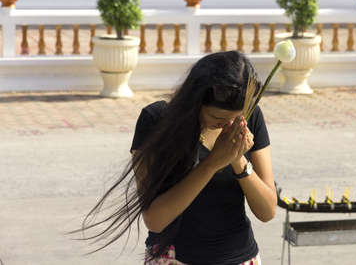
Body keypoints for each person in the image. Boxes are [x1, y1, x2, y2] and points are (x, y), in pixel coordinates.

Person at [75, 51, 277, 265]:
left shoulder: (250, 117)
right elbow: (155, 220)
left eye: (235, 118)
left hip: (241, 258)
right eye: (217, 117)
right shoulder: (156, 121)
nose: (226, 124)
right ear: (195, 102)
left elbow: (267, 211)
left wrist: (237, 159)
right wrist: (212, 162)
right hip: (174, 258)